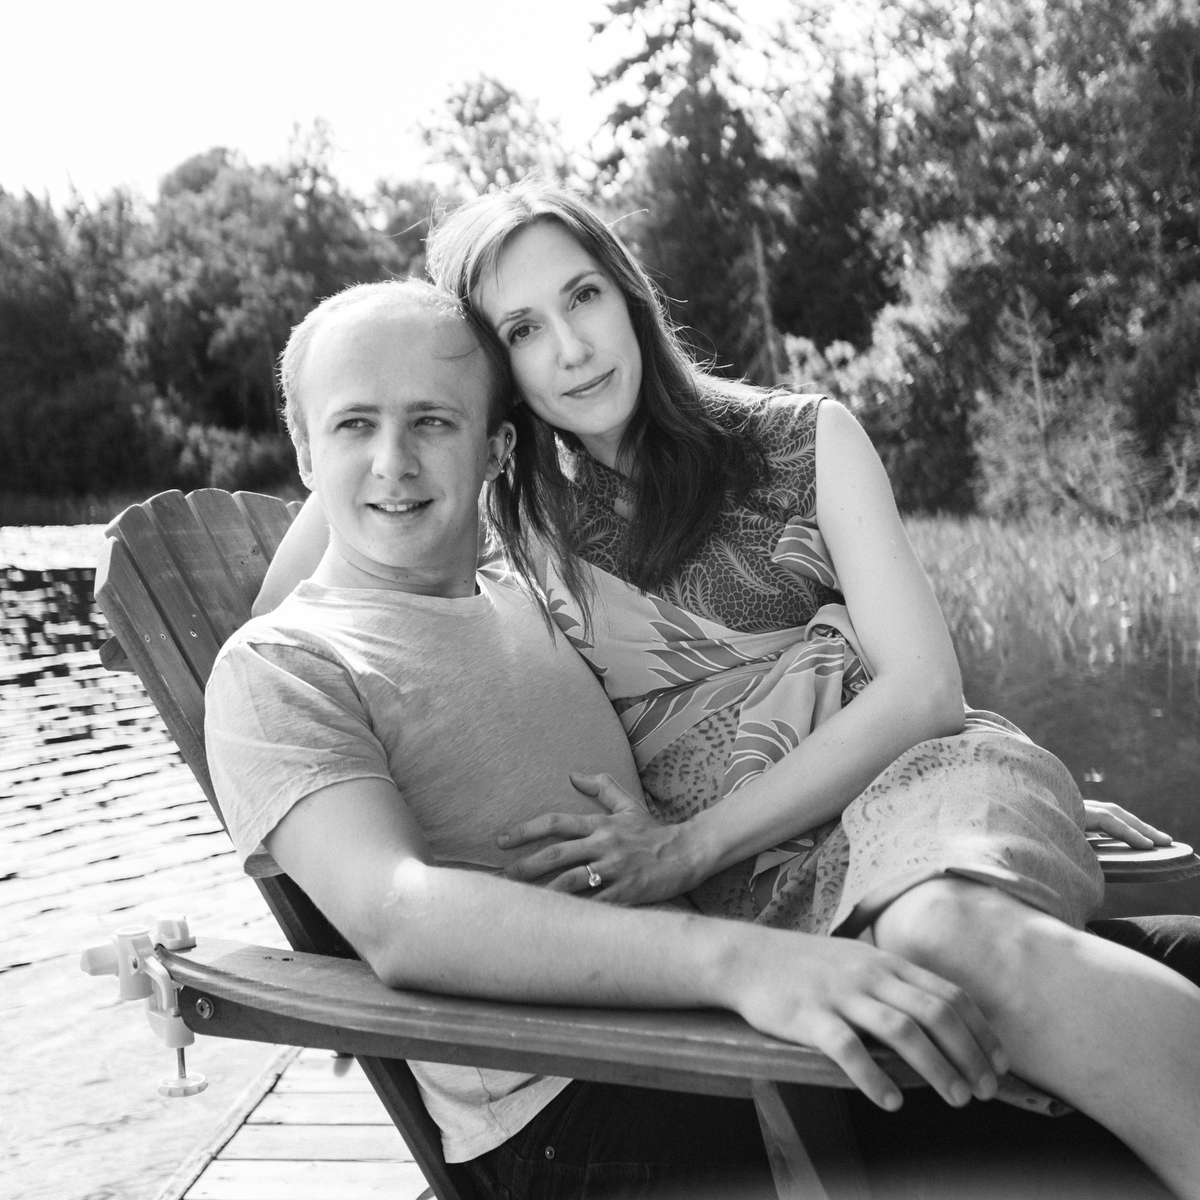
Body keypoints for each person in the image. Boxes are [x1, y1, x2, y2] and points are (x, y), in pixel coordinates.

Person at [255, 183, 1200, 1195]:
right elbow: (299, 581)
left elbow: (925, 690)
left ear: (629, 295)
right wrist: (414, 351)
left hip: (914, 782)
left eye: (582, 298)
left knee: (943, 939)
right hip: (751, 900)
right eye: (521, 331)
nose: (570, 349)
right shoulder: (511, 508)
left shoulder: (801, 440)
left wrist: (686, 848)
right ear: (494, 374)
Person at [210, 279, 1018, 1199]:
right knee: (1078, 1111)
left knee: (1143, 976)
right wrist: (746, 964)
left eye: (433, 422)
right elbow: (399, 918)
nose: (393, 463)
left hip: (731, 1019)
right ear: (305, 452)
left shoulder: (532, 595)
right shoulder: (281, 665)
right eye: (354, 426)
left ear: (497, 449)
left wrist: (963, 805)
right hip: (590, 1093)